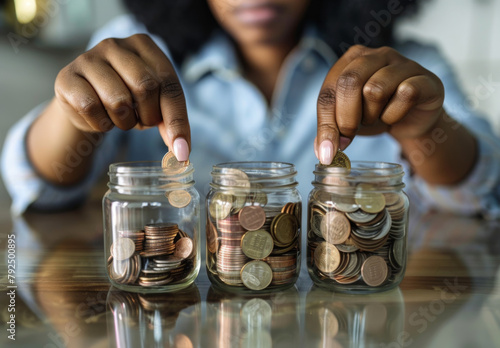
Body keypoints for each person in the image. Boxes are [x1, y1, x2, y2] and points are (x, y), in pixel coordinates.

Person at [2, 0, 500, 218]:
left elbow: (485, 188)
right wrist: (72, 116)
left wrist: (425, 129)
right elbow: (38, 188)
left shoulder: (404, 67)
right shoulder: (136, 58)